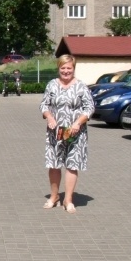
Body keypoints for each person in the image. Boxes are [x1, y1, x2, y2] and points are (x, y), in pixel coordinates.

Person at [39, 55, 94, 213]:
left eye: (69, 68)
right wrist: (49, 117)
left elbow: (89, 107)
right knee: (54, 164)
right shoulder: (52, 85)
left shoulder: (81, 86)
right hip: (55, 132)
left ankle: (68, 200)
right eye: (63, 68)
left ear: (73, 69)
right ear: (59, 68)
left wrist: (78, 122)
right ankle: (54, 196)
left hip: (75, 132)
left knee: (72, 165)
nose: (66, 71)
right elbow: (44, 105)